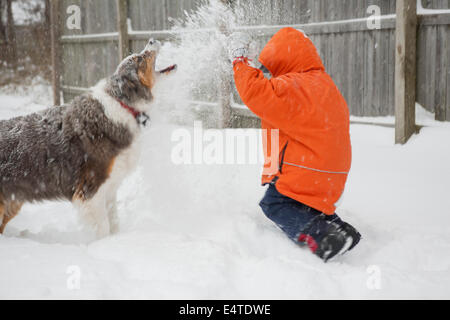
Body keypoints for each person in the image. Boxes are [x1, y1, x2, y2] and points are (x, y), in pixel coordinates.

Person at [229, 27, 361, 262]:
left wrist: (239, 60)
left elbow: (255, 91)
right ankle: (341, 229)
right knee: (308, 204)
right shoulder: (325, 85)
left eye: (272, 66)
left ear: (283, 59)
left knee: (275, 203)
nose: (270, 72)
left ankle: (322, 238)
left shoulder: (292, 86)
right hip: (332, 174)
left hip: (307, 170)